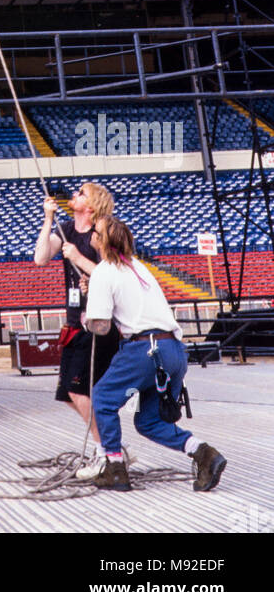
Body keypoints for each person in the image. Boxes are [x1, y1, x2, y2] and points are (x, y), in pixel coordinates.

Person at [85, 216, 227, 492]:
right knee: (149, 420)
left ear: (102, 241)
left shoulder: (104, 270)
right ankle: (203, 453)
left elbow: (100, 327)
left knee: (102, 398)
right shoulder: (139, 267)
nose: (90, 234)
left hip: (144, 350)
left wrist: (86, 318)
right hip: (173, 351)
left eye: (95, 231)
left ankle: (114, 468)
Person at [33, 181, 122, 479]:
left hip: (98, 323)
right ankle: (108, 446)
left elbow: (112, 274)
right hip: (75, 320)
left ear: (93, 206)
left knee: (78, 387)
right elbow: (41, 258)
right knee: (69, 393)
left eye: (80, 193)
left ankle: (106, 451)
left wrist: (78, 260)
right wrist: (48, 221)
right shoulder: (67, 230)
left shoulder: (103, 233)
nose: (74, 195)